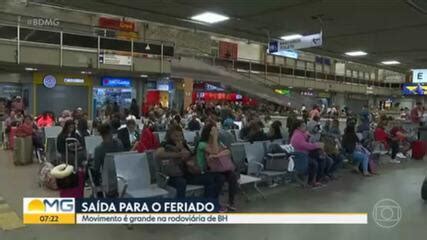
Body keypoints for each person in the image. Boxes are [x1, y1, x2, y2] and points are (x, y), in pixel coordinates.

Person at [155, 124, 223, 199]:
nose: (178, 138)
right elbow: (159, 154)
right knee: (181, 183)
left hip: (187, 173)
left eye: (180, 136)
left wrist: (183, 151)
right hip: (172, 176)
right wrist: (178, 154)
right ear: (170, 136)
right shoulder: (165, 144)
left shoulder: (183, 143)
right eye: (175, 136)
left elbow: (188, 154)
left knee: (213, 179)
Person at [197, 124, 238, 210]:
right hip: (207, 170)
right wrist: (215, 138)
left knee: (232, 176)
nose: (216, 132)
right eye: (214, 131)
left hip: (220, 168)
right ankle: (214, 202)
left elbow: (227, 151)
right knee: (221, 178)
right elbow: (214, 151)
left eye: (216, 131)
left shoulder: (219, 143)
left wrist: (216, 156)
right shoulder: (202, 144)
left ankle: (231, 201)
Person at [289, 120, 324, 187]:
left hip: (304, 154)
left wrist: (309, 137)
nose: (305, 127)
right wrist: (317, 145)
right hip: (300, 156)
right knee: (315, 163)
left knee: (320, 158)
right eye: (304, 126)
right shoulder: (297, 135)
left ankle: (316, 179)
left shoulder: (302, 134)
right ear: (298, 127)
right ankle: (312, 181)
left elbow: (309, 143)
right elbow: (305, 145)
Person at [92, 123, 124, 196]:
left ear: (101, 135)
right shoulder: (119, 144)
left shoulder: (99, 149)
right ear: (111, 132)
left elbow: (96, 168)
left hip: (108, 182)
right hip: (121, 178)